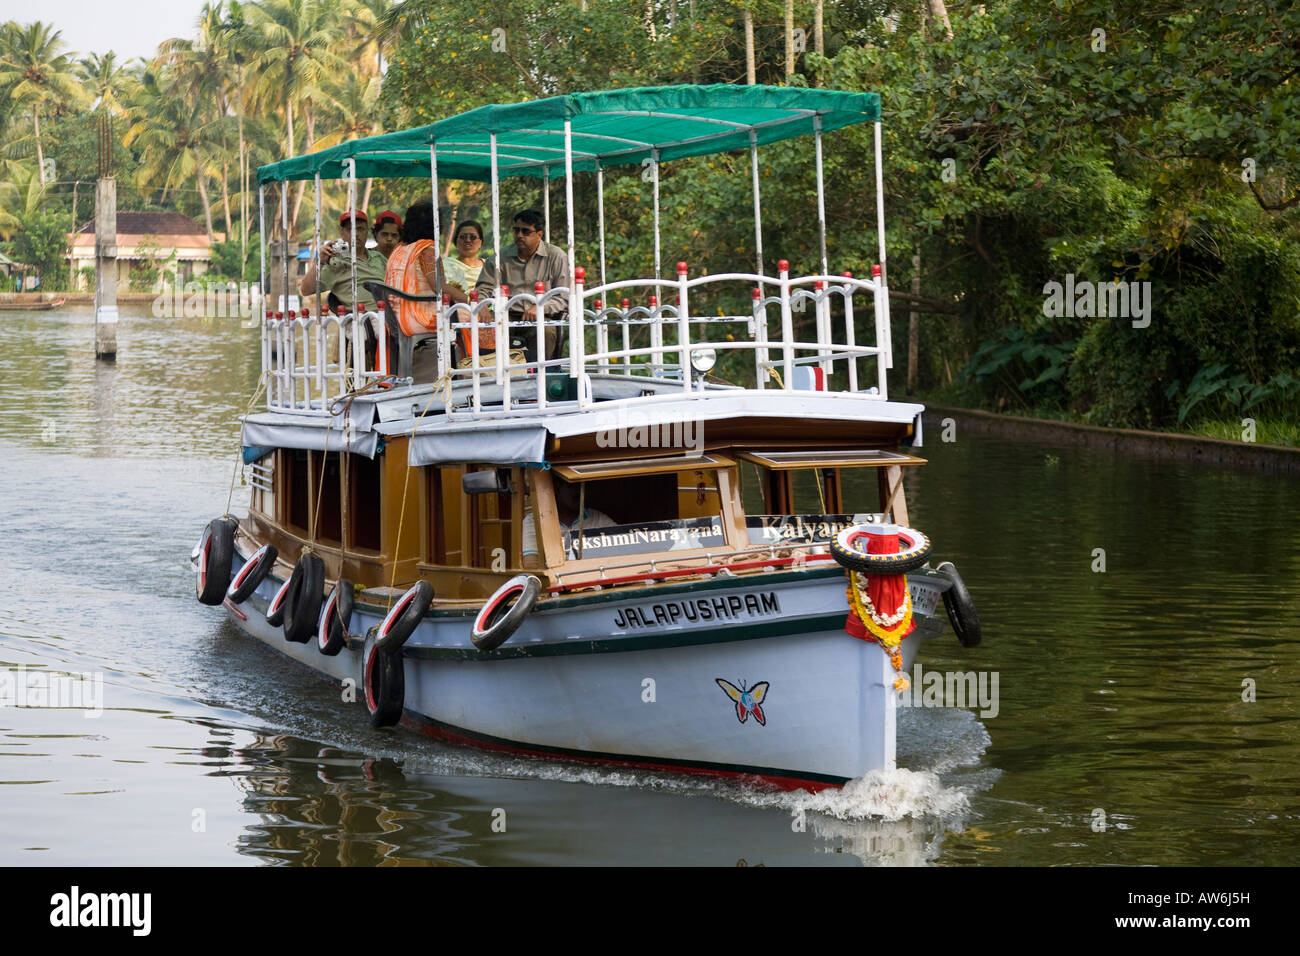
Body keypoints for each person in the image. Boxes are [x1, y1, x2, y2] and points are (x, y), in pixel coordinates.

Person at [474, 209, 571, 362]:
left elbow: (563, 297)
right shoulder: (500, 257)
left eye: (526, 231)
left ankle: (543, 376)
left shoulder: (556, 256)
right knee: (482, 331)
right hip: (506, 316)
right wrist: (483, 306)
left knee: (546, 331)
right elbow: (483, 288)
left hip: (541, 318)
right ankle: (491, 377)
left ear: (539, 234)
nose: (519, 235)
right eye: (516, 230)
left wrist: (540, 307)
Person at [299, 211, 387, 312]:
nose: (356, 234)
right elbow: (305, 290)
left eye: (360, 229)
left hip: (391, 315)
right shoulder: (335, 262)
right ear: (341, 232)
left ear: (367, 231)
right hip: (364, 320)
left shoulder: (378, 257)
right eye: (350, 229)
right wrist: (320, 262)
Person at [521, 477, 616, 569]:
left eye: (582, 486)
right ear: (557, 488)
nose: (579, 492)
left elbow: (623, 543)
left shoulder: (597, 518)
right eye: (573, 486)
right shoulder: (534, 521)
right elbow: (531, 564)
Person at [443, 220, 485, 301]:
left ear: (480, 242)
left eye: (472, 237)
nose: (468, 240)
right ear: (456, 241)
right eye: (463, 237)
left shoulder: (488, 266)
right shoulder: (445, 264)